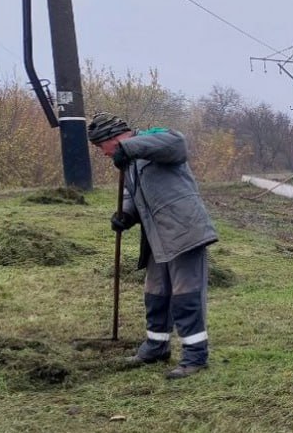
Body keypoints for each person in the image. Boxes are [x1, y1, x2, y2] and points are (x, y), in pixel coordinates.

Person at [89, 113, 218, 379]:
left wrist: (128, 148)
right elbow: (133, 196)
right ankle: (156, 347)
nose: (102, 154)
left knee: (186, 296)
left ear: (112, 139)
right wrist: (125, 215)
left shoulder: (154, 140)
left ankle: (195, 357)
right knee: (155, 294)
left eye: (101, 147)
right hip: (156, 238)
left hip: (184, 231)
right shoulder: (131, 164)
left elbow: (178, 143)